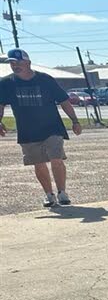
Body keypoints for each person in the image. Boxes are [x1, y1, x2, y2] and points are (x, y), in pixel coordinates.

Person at [0, 48, 82, 208]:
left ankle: (62, 193)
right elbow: (0, 105)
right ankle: (49, 195)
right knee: (38, 163)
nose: (15, 66)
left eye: (18, 62)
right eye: (12, 63)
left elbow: (64, 101)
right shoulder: (6, 84)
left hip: (52, 127)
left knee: (56, 159)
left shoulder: (45, 80)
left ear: (28, 62)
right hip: (28, 130)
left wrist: (75, 121)